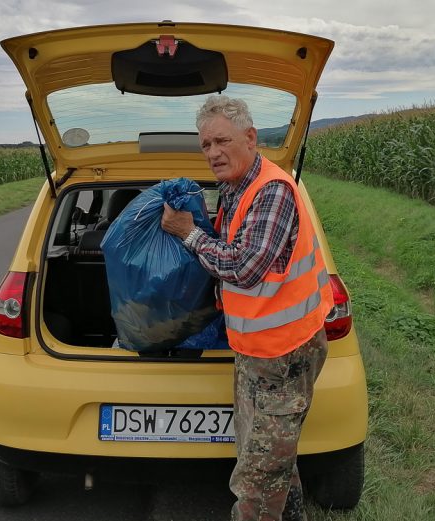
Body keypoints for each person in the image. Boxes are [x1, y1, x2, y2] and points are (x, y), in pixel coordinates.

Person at [161, 95, 334, 521]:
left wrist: (188, 234)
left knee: (256, 478)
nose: (213, 153)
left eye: (222, 140)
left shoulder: (272, 191)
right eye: (205, 145)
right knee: (271, 453)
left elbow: (243, 266)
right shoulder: (235, 188)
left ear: (251, 138)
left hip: (285, 353)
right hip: (254, 349)